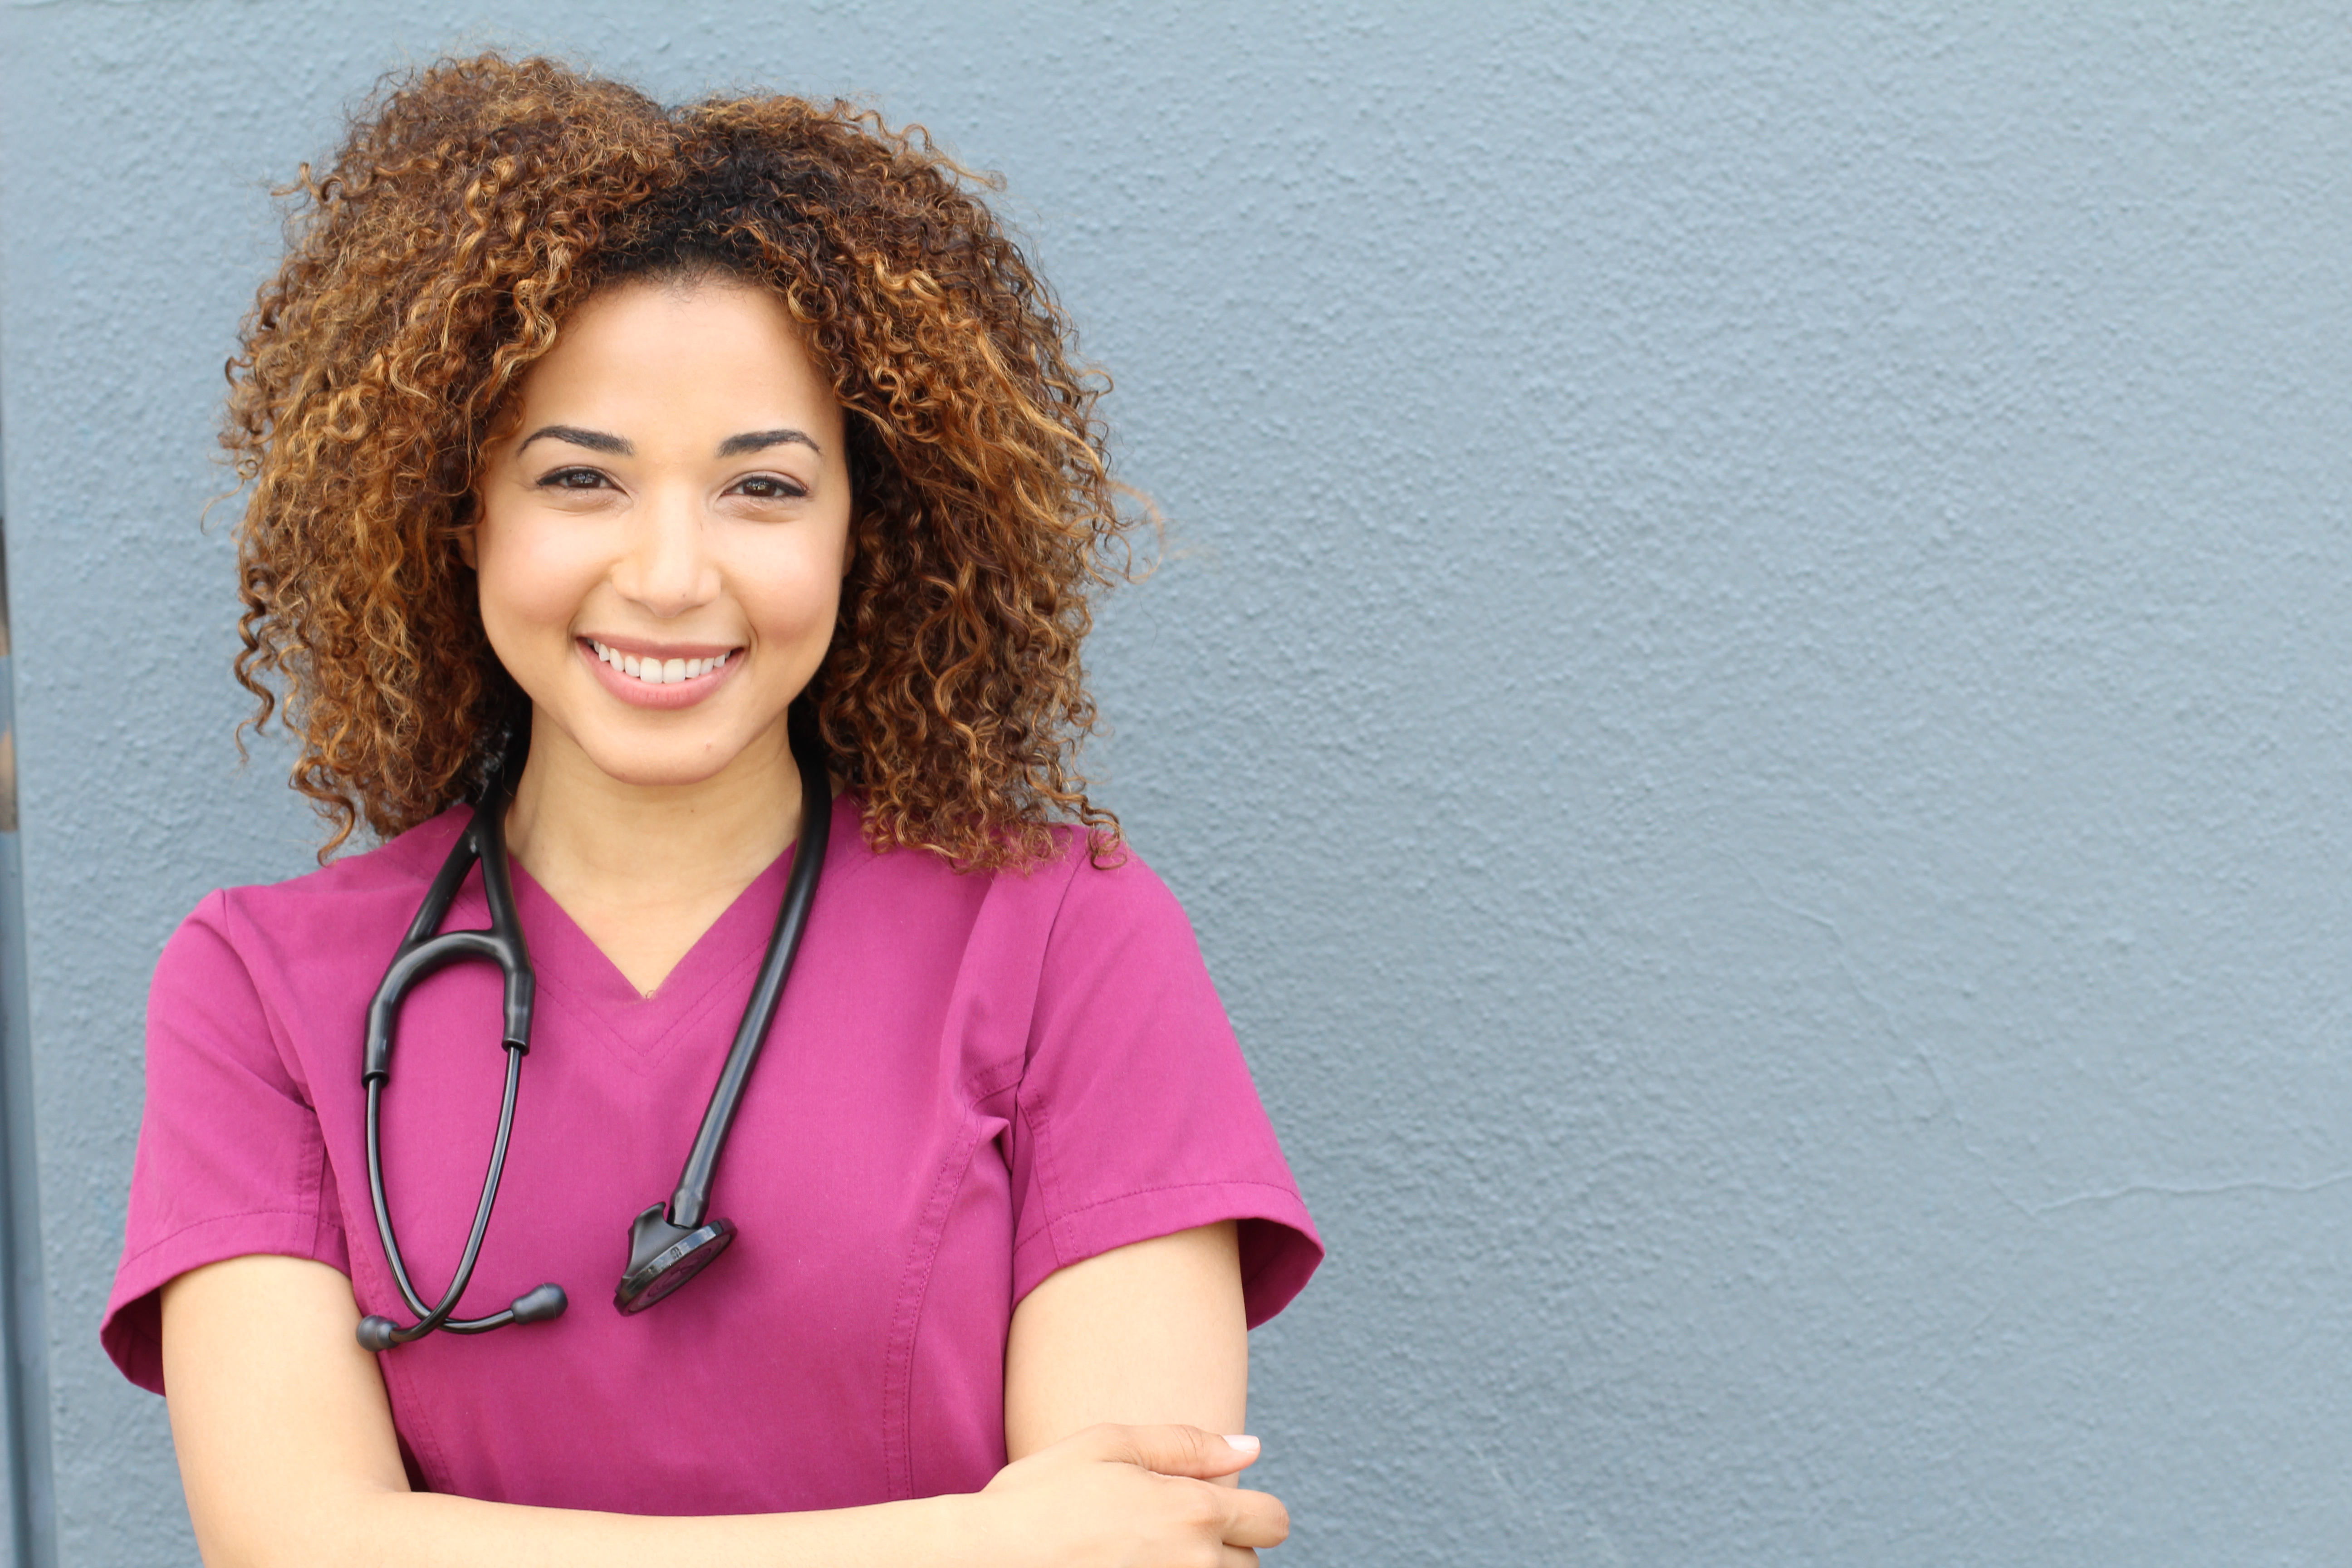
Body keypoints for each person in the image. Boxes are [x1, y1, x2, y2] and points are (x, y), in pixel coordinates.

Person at [98, 54, 1319, 1566]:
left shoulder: (1069, 935)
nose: (673, 574)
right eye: (581, 480)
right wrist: (973, 1544)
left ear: (874, 521)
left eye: (763, 489)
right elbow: (291, 1544)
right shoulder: (261, 993)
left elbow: (1140, 1546)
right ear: (460, 507)